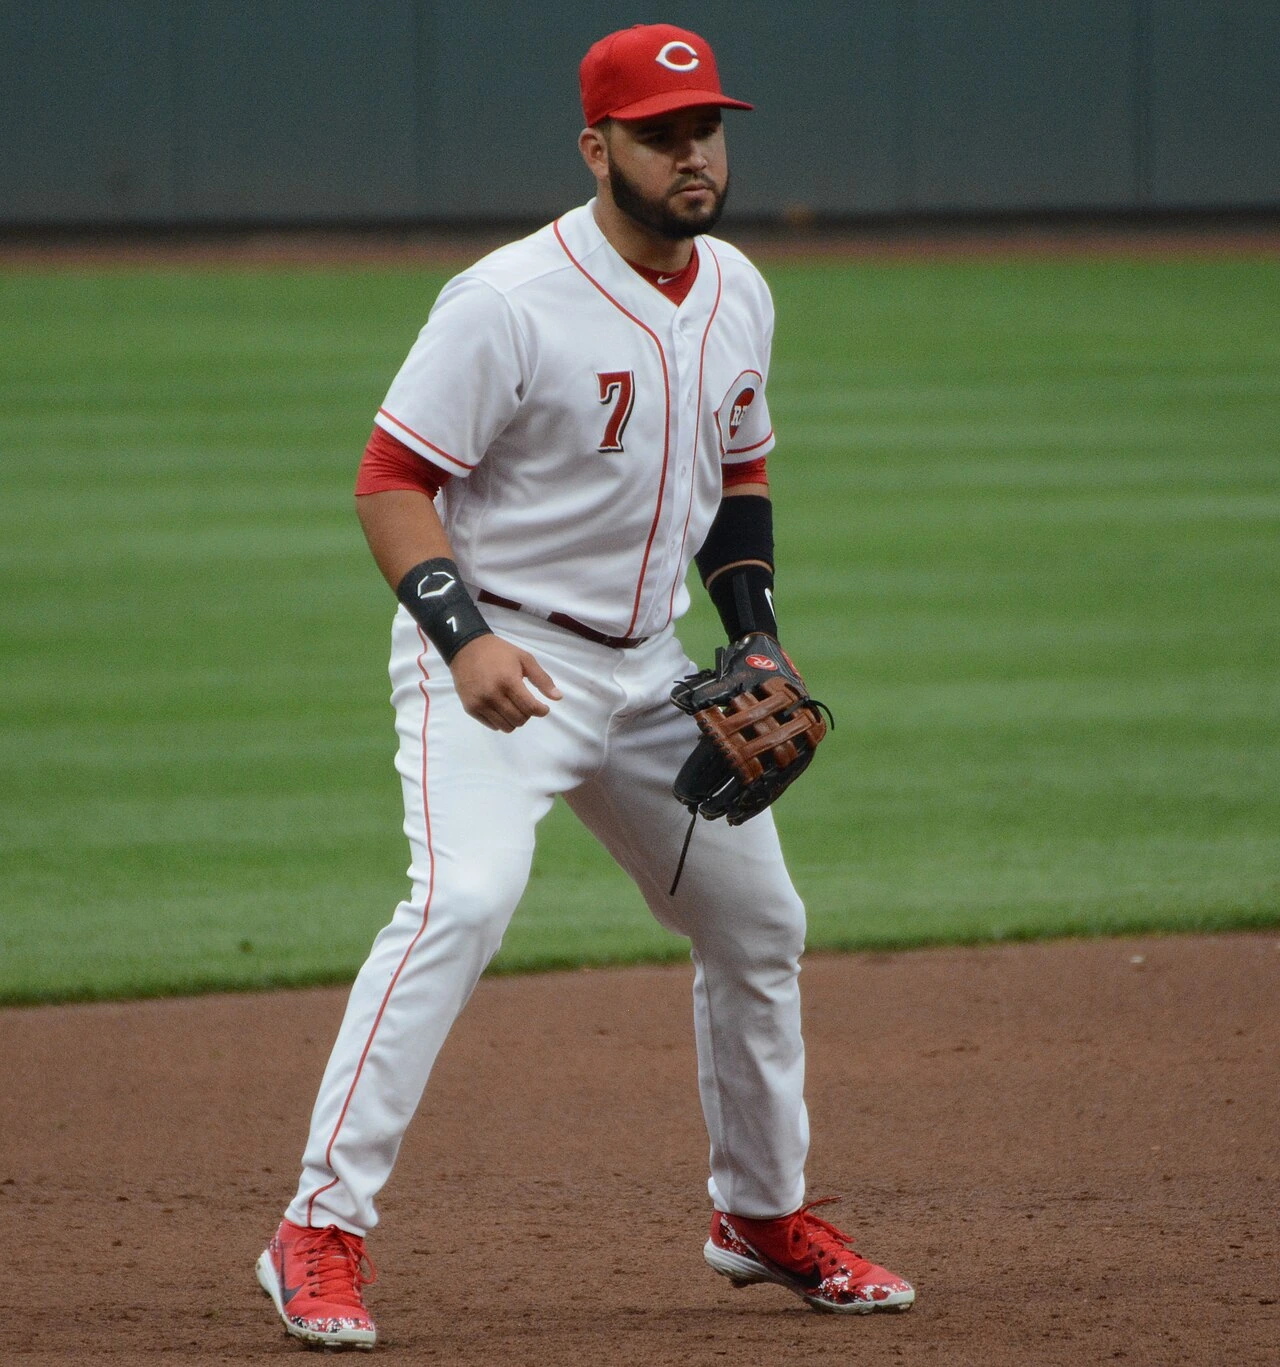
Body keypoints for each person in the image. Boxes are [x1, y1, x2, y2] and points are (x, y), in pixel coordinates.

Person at [255, 22, 914, 1350]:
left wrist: (760, 634)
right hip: (497, 664)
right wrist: (464, 638)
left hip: (649, 673)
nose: (693, 155)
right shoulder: (504, 299)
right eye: (663, 133)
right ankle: (315, 1226)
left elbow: (741, 479)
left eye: (707, 129)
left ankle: (759, 1212)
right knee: (465, 899)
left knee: (758, 922)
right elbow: (391, 480)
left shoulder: (737, 290)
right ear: (594, 145)